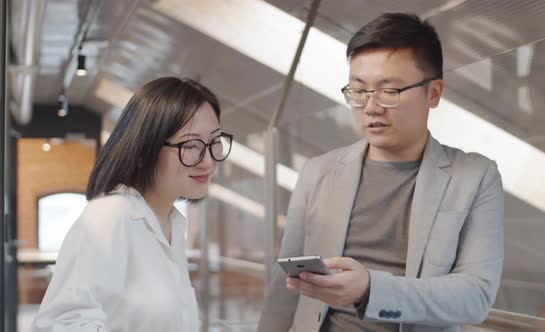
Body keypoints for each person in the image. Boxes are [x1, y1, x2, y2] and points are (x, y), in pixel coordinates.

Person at [257, 13, 504, 332]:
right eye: (358, 91)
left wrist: (370, 290)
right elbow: (285, 288)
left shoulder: (475, 176)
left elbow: (475, 296)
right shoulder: (318, 172)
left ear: (433, 93)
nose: (370, 107)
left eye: (389, 91)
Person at [32, 77, 233, 331]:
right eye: (191, 145)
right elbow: (61, 324)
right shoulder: (110, 216)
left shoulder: (171, 221)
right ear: (143, 150)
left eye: (214, 142)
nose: (208, 161)